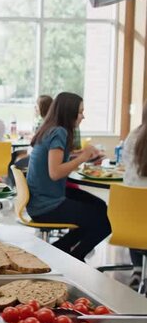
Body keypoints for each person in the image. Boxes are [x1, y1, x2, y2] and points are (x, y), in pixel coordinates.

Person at [26, 92, 111, 262]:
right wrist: (82, 157)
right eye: (80, 112)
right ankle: (73, 257)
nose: (83, 116)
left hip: (41, 198)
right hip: (46, 205)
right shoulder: (59, 132)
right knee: (106, 221)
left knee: (101, 208)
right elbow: (55, 172)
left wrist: (86, 157)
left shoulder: (51, 129)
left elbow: (55, 162)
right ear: (69, 112)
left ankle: (59, 251)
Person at [122, 101, 147, 289]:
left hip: (128, 222)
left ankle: (138, 268)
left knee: (136, 210)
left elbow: (125, 164)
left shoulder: (133, 135)